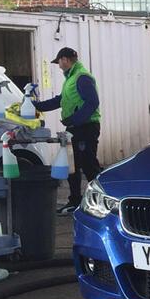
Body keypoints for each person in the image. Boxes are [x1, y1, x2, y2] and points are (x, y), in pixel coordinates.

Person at [36, 47, 102, 215]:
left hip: (85, 127)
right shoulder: (71, 79)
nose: (58, 66)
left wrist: (74, 120)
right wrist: (37, 106)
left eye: (58, 62)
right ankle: (75, 201)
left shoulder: (82, 78)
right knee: (72, 166)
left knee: (89, 165)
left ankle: (104, 201)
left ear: (65, 59)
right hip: (75, 128)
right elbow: (61, 100)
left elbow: (92, 103)